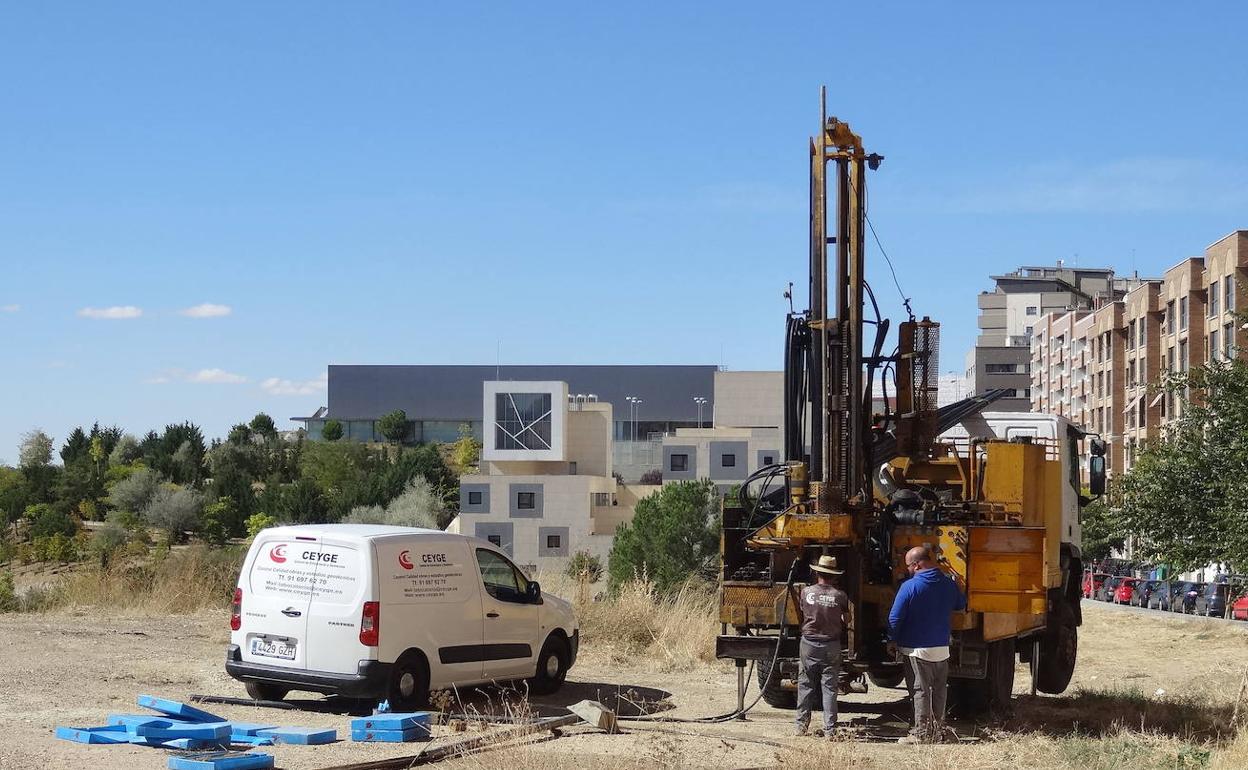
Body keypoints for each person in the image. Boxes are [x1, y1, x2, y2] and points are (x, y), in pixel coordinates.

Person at [887, 546, 966, 744]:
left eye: (909, 566)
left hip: (916, 650)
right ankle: (937, 731)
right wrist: (960, 587)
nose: (908, 570)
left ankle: (921, 734)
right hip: (941, 648)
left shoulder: (910, 587)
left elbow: (895, 618)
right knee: (939, 690)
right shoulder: (948, 584)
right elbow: (960, 604)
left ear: (917, 564)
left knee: (920, 691)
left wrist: (892, 639)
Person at [794, 555, 849, 738]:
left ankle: (801, 726)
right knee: (830, 687)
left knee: (806, 684)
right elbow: (847, 618)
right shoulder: (840, 596)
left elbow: (803, 611)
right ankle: (830, 729)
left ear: (817, 573)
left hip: (809, 644)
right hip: (831, 645)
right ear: (834, 576)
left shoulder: (806, 592)